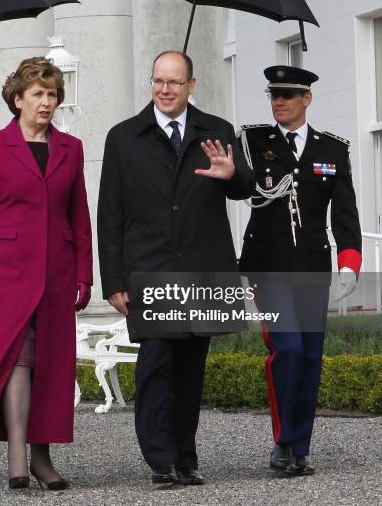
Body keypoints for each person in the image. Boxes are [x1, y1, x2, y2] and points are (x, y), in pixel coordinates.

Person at [97, 50, 255, 488]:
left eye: (174, 82)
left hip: (202, 268)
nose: (164, 90)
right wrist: (113, 280)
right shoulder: (123, 137)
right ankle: (160, 459)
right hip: (149, 270)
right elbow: (109, 214)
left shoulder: (218, 131)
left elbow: (246, 188)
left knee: (190, 368)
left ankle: (186, 456)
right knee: (155, 364)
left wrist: (232, 175)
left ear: (191, 85)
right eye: (158, 81)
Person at [0, 56, 92, 490]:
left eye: (52, 94)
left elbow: (79, 214)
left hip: (56, 273)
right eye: (37, 94)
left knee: (50, 363)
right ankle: (17, 456)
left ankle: (42, 457)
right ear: (18, 99)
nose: (46, 102)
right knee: (16, 359)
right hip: (3, 275)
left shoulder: (71, 148)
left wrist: (85, 274)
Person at [238, 65, 362, 476]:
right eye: (273, 94)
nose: (278, 101)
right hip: (268, 267)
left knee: (309, 357)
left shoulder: (332, 149)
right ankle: (283, 442)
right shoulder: (253, 140)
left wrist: (349, 264)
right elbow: (235, 183)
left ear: (306, 99)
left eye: (288, 95)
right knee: (287, 348)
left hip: (312, 267)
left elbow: (345, 214)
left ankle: (299, 448)